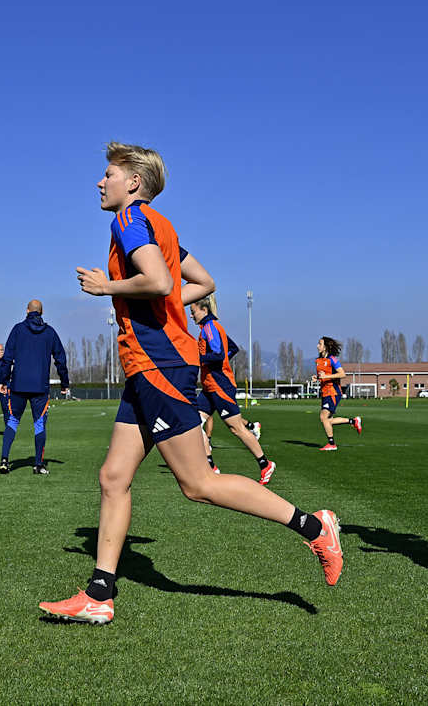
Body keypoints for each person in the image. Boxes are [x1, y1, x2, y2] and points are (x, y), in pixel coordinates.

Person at [39, 142, 343, 625]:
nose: (100, 183)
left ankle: (314, 526)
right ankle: (100, 594)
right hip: (151, 364)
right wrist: (165, 311)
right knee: (113, 477)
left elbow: (160, 282)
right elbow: (202, 281)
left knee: (198, 484)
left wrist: (108, 288)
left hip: (158, 363)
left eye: (108, 175)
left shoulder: (129, 220)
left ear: (133, 182)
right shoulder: (159, 225)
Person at [189, 296, 273, 484]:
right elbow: (231, 348)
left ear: (203, 309)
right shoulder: (209, 328)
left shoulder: (210, 327)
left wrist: (200, 359)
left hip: (220, 386)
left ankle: (265, 464)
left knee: (237, 428)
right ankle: (211, 467)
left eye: (192, 311)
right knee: (194, 425)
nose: (191, 315)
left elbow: (218, 354)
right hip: (210, 386)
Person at [0, 300, 70, 475]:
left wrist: (2, 380)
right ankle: (38, 464)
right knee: (39, 424)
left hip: (18, 385)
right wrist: (64, 383)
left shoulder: (17, 329)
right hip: (40, 387)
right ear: (42, 312)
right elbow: (60, 358)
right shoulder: (50, 332)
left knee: (13, 421)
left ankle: (5, 461)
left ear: (27, 311)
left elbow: (7, 357)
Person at [315, 337, 361, 450]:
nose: (317, 346)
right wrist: (317, 378)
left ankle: (331, 444)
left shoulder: (333, 359)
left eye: (320, 344)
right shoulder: (318, 361)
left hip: (333, 392)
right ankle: (353, 421)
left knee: (323, 417)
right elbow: (324, 376)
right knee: (328, 420)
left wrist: (327, 376)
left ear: (325, 347)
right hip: (325, 393)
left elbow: (342, 374)